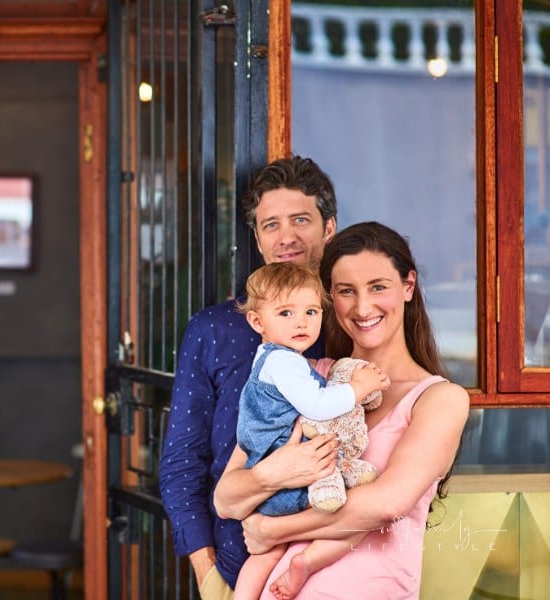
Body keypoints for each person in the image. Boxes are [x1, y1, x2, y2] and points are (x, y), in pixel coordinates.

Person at [214, 222, 469, 599]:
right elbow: (226, 498)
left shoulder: (438, 399)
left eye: (378, 287)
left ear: (408, 286)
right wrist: (275, 472)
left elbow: (385, 504)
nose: (363, 307)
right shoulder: (305, 377)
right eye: (347, 291)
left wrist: (273, 530)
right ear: (330, 296)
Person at [159, 155, 342, 599]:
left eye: (301, 219)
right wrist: (208, 576)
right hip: (236, 568)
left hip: (342, 564)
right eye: (270, 224)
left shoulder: (353, 322)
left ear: (329, 228)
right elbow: (183, 462)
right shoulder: (216, 329)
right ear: (258, 240)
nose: (287, 237)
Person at [231, 261, 390, 599]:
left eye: (311, 311)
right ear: (257, 321)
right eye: (286, 313)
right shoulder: (283, 362)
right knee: (353, 527)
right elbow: (318, 406)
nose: (301, 321)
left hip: (272, 487)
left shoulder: (273, 359)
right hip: (291, 479)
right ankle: (306, 561)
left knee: (264, 553)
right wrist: (359, 389)